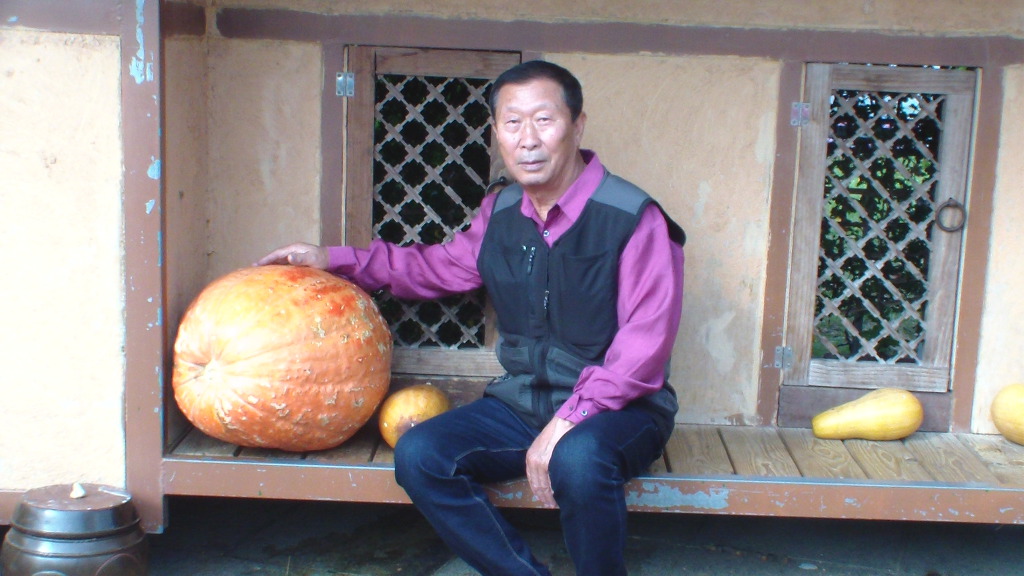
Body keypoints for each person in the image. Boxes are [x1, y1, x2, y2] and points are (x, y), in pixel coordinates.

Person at [257, 60, 685, 576]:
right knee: (420, 454)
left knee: (577, 459)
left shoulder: (632, 217)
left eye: (544, 120)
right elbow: (436, 267)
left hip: (620, 412)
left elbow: (644, 346)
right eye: (512, 122)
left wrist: (570, 420)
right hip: (524, 403)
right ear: (498, 133)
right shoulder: (502, 212)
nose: (528, 139)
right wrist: (333, 259)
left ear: (577, 125)